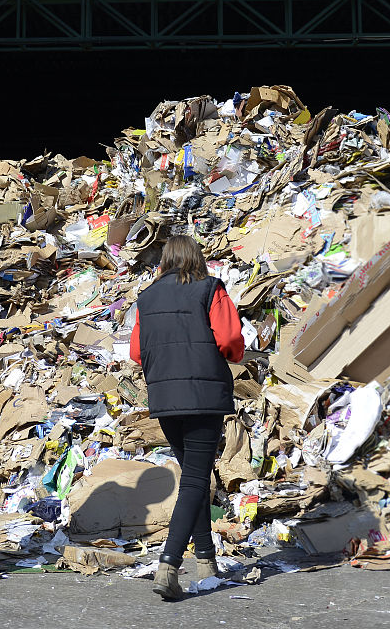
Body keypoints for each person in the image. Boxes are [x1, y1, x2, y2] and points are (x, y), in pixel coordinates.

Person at [129, 235, 244, 600]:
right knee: (195, 483)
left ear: (165, 261)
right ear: (197, 259)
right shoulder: (210, 289)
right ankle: (169, 565)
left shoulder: (146, 299)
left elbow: (135, 351)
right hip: (204, 398)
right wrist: (236, 355)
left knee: (195, 479)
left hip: (164, 401)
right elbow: (230, 340)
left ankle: (207, 559)